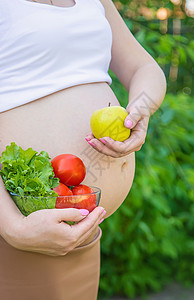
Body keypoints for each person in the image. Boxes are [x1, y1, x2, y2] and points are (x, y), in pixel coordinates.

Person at [0, 0, 166, 299]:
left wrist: (139, 110)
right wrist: (13, 228)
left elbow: (143, 67)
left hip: (82, 232)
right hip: (15, 233)